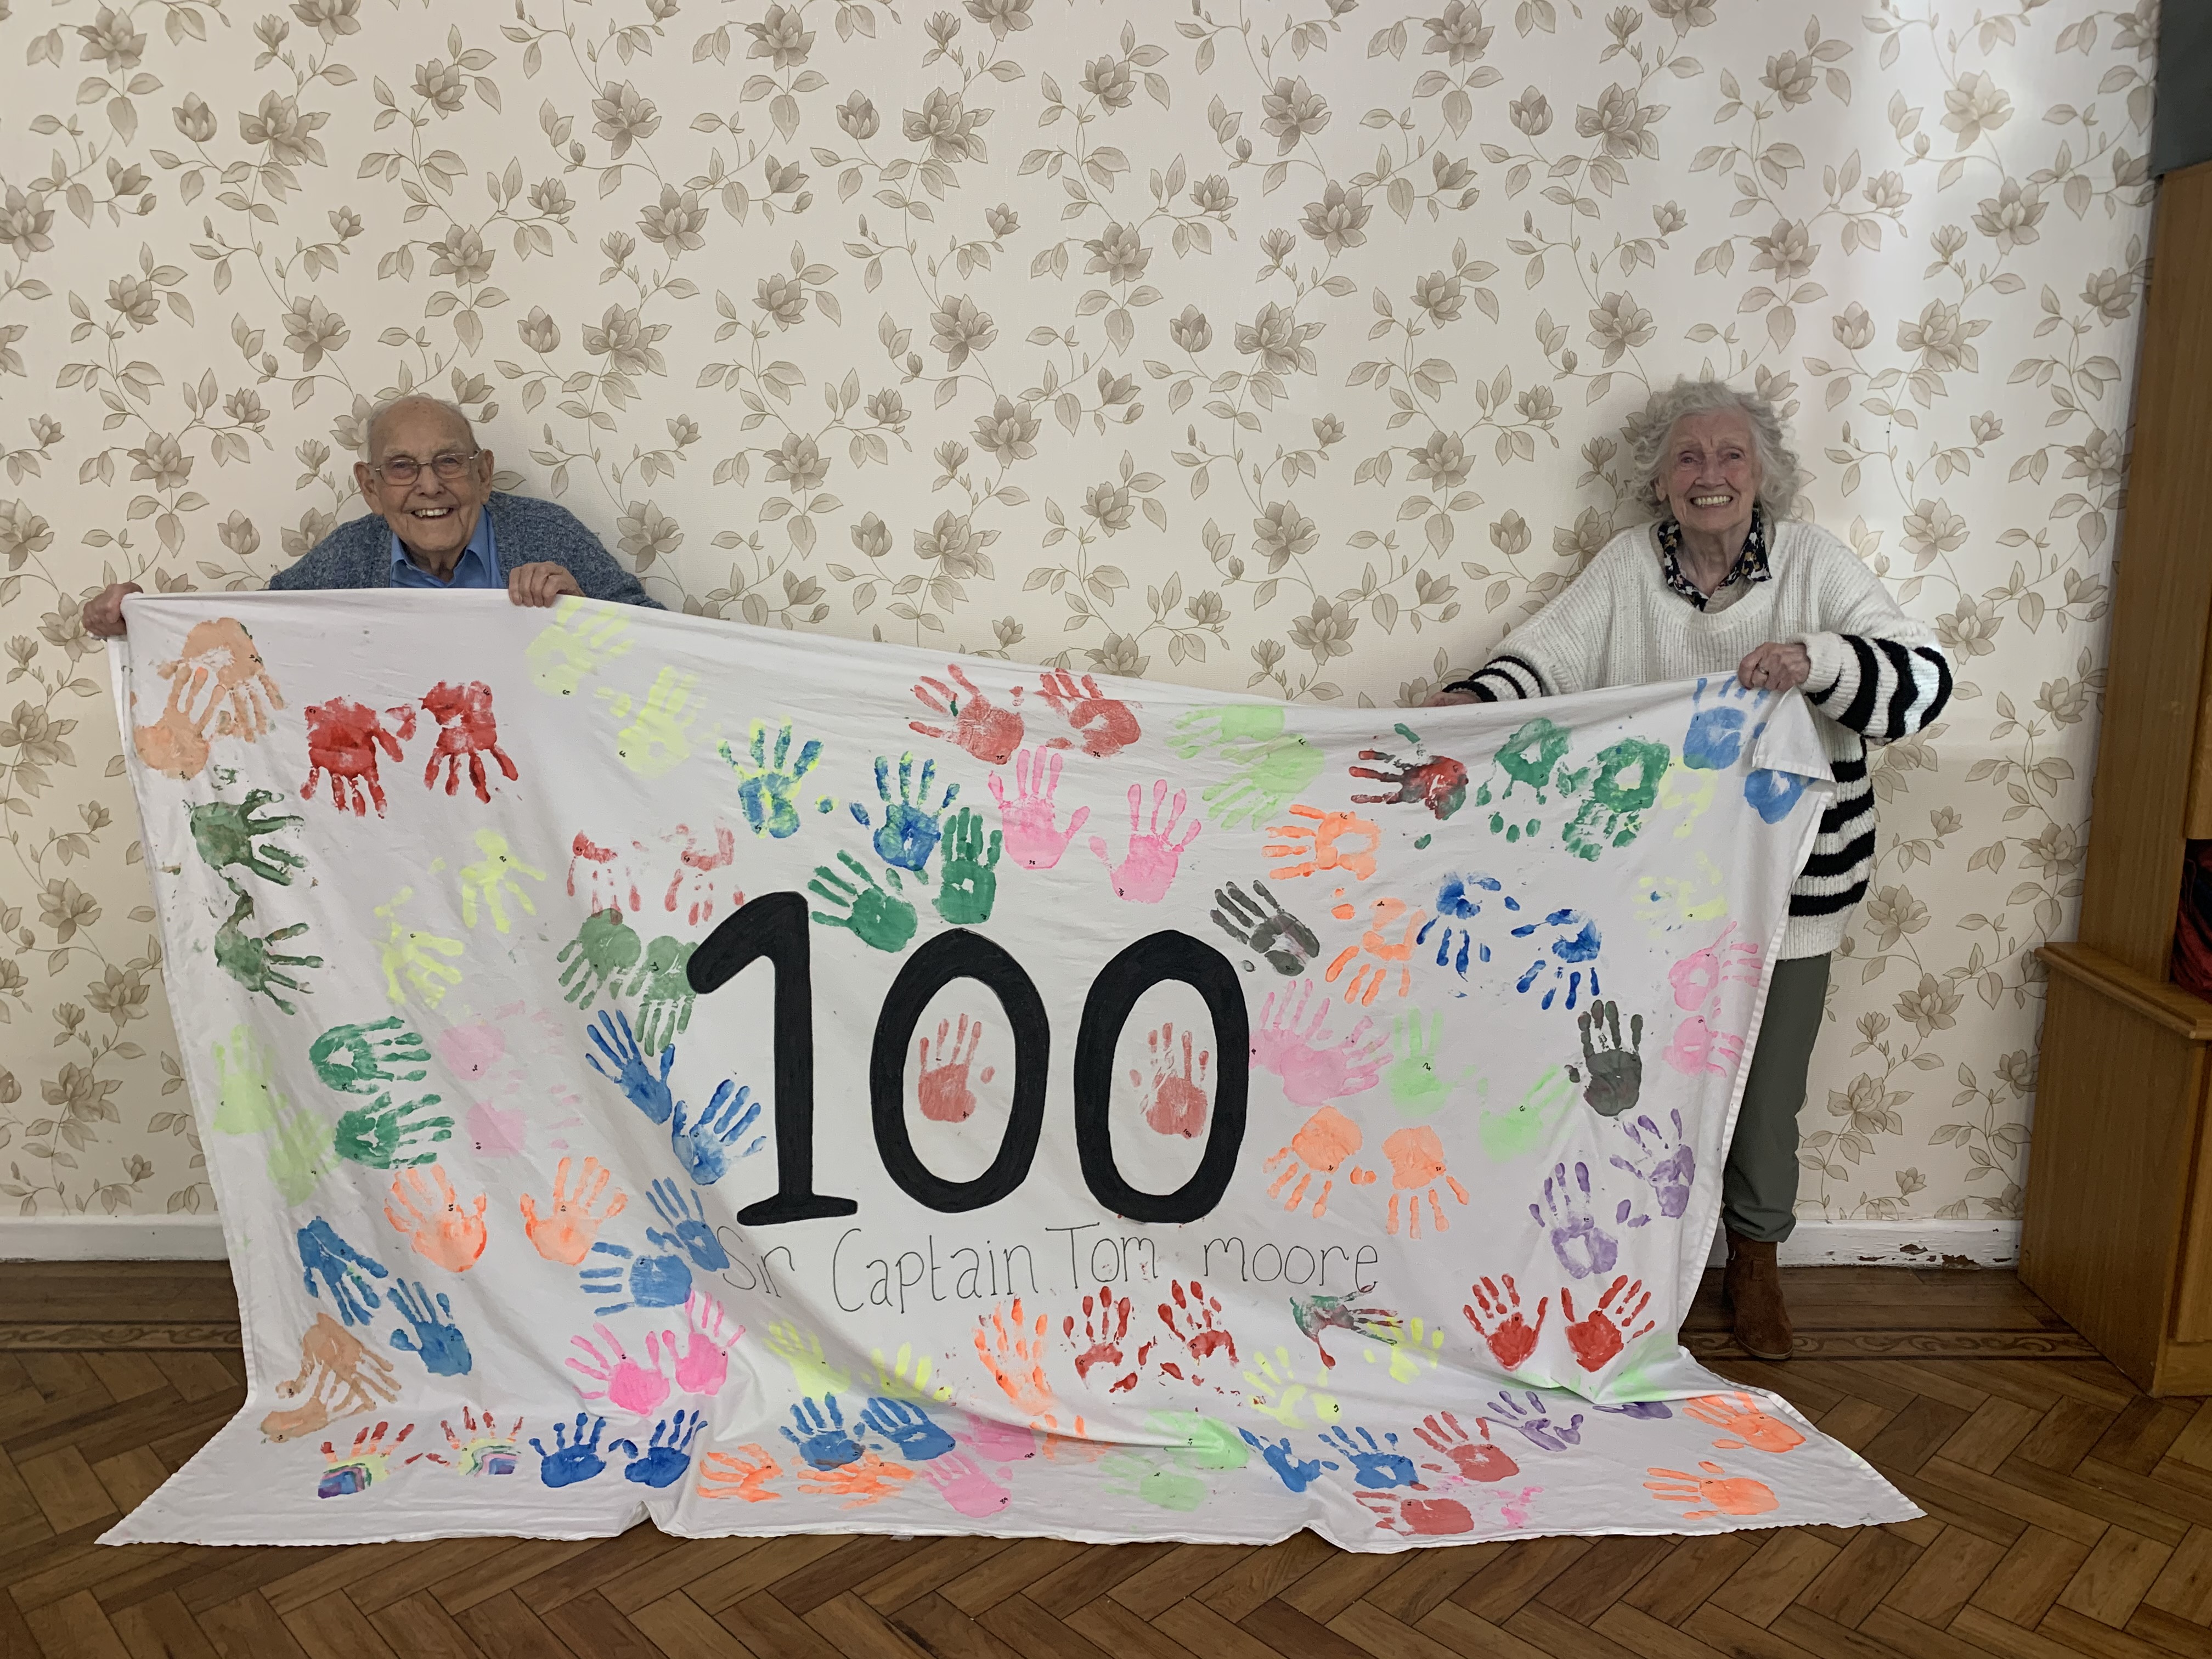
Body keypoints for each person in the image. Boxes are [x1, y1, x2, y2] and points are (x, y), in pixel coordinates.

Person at [1430, 377, 1951, 1359]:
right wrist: (1472, 702)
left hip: (1792, 894)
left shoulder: (1812, 563)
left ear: (1762, 475)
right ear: (1661, 481)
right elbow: (1544, 660)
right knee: (1630, 1077)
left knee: (1764, 1092)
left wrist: (1816, 663)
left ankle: (1754, 1260)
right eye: (1688, 457)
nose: (1709, 474)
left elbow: (1923, 683)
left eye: (1730, 455)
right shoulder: (1629, 567)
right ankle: (1616, 1257)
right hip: (1650, 891)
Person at [81, 395, 658, 636]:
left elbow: (663, 638)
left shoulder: (547, 533)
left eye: (449, 462)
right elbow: (253, 631)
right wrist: (143, 621)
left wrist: (587, 611)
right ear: (370, 487)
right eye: (402, 468)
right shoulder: (347, 558)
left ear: (484, 473)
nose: (429, 485)